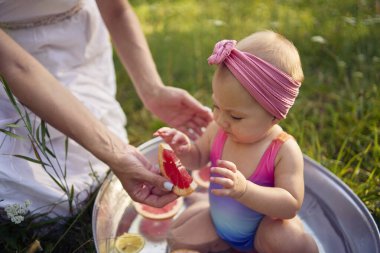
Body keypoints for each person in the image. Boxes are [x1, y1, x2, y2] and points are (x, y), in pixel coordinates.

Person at [0, 0, 212, 219]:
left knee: (96, 178)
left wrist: (152, 90)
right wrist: (116, 152)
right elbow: (18, 69)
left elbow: (116, 9)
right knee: (46, 204)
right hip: (11, 68)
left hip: (81, 43)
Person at [155, 31, 319, 253]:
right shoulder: (218, 130)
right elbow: (197, 158)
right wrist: (185, 150)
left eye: (235, 116)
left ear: (275, 116)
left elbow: (290, 205)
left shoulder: (283, 150)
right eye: (216, 106)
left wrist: (245, 190)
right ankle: (219, 236)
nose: (221, 120)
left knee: (286, 241)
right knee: (177, 238)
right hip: (220, 222)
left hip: (263, 231)